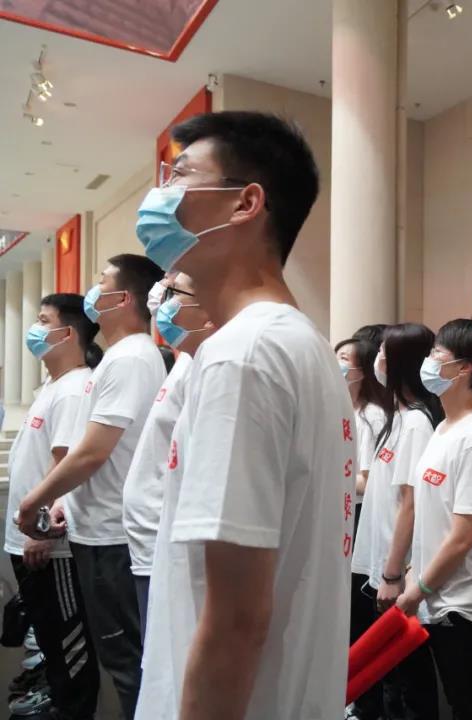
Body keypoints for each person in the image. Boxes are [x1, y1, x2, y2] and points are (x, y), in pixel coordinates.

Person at [131, 111, 353, 719]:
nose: (162, 195)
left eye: (181, 176)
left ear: (245, 203)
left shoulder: (243, 355)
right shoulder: (297, 343)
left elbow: (237, 621)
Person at [16, 254, 167, 720]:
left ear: (122, 299)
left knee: (127, 662)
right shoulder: (119, 358)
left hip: (113, 534)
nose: (92, 290)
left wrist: (35, 501)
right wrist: (63, 499)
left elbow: (91, 452)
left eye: (101, 281)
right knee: (120, 658)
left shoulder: (131, 358)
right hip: (98, 529)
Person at [396, 319, 472, 719]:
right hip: (434, 594)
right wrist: (414, 576)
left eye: (437, 354)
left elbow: (463, 536)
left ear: (465, 368)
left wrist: (419, 588)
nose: (428, 362)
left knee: (471, 706)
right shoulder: (444, 427)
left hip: (462, 602)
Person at [5, 293, 103, 720]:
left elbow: (66, 465)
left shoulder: (76, 389)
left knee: (69, 652)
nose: (35, 329)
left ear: (68, 333)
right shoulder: (52, 386)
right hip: (30, 539)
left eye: (44, 321)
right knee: (50, 644)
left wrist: (42, 531)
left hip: (51, 546)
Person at [350, 323, 441, 720]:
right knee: (390, 675)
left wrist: (392, 573)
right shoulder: (397, 417)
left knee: (408, 679)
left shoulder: (418, 422)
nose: (378, 360)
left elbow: (410, 504)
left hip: (396, 568)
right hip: (380, 563)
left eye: (385, 353)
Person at [122, 272, 215, 637]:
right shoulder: (184, 361)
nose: (164, 298)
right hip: (149, 539)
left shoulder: (208, 365)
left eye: (175, 290)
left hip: (167, 542)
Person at [337, 325, 393, 537]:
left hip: (358, 510)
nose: (335, 363)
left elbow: (370, 481)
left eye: (343, 358)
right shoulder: (337, 409)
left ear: (361, 371)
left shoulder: (372, 416)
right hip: (339, 505)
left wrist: (330, 477)